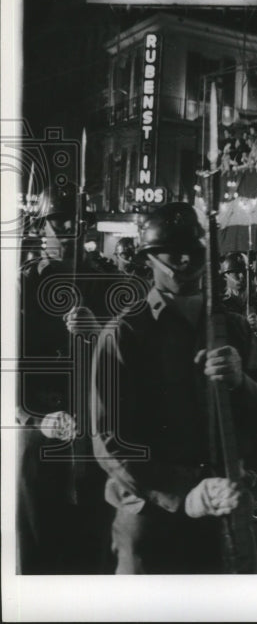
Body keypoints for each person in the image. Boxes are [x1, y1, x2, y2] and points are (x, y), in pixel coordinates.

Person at [91, 202, 257, 573]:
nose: (182, 259)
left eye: (191, 251)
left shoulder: (236, 330)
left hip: (225, 511)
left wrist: (241, 383)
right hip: (151, 512)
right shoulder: (126, 334)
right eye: (170, 251)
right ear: (149, 257)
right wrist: (184, 493)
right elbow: (111, 442)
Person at [16, 187, 114, 574]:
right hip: (40, 415)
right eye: (59, 222)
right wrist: (35, 420)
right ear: (42, 228)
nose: (70, 229)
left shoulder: (105, 281)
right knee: (37, 530)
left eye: (76, 221)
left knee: (94, 541)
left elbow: (133, 352)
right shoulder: (22, 285)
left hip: (96, 415)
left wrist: (100, 331)